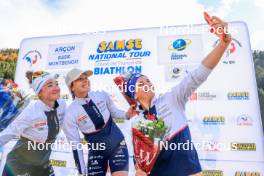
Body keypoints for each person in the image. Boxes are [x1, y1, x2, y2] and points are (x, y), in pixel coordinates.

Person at [124, 16, 231, 176]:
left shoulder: (171, 98)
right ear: (135, 95)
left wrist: (223, 44)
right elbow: (140, 163)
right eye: (140, 83)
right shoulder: (137, 122)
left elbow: (198, 74)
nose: (147, 83)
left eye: (147, 80)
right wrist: (139, 170)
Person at [63, 68, 137, 176]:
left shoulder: (101, 95)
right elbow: (76, 145)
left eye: (86, 78)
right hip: (96, 151)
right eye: (80, 79)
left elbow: (115, 112)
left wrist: (127, 115)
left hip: (117, 144)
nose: (85, 80)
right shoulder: (70, 113)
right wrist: (81, 172)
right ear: (71, 87)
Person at [0, 71, 66, 176]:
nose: (56, 88)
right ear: (39, 92)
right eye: (50, 85)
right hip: (19, 163)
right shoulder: (31, 112)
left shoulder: (62, 105)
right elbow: (9, 132)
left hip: (42, 162)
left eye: (56, 84)